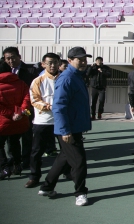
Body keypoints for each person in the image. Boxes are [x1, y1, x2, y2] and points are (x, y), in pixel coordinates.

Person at [38, 47, 92, 207]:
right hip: (69, 129)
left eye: (84, 59)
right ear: (69, 61)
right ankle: (80, 193)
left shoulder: (76, 76)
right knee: (79, 161)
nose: (83, 62)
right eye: (79, 59)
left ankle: (47, 187)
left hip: (73, 127)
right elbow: (59, 106)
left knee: (64, 158)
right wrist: (64, 130)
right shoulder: (67, 78)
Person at [26, 53, 61, 187]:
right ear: (43, 64)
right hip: (43, 120)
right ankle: (34, 176)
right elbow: (34, 100)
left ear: (59, 63)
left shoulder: (64, 78)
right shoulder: (38, 80)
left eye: (55, 62)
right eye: (49, 63)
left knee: (67, 150)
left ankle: (67, 172)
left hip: (61, 120)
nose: (52, 65)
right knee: (37, 151)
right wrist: (50, 106)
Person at [2, 47, 36, 170]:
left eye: (13, 57)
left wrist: (22, 110)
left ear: (19, 56)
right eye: (8, 58)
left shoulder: (31, 70)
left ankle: (26, 160)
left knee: (27, 136)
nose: (10, 61)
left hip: (26, 108)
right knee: (12, 137)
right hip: (9, 112)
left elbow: (32, 92)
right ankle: (14, 160)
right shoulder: (2, 69)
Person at [0, 62, 31, 180]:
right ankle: (17, 165)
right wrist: (20, 112)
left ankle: (4, 167)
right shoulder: (21, 83)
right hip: (19, 119)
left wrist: (10, 114)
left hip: (3, 120)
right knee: (15, 142)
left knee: (0, 144)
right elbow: (27, 98)